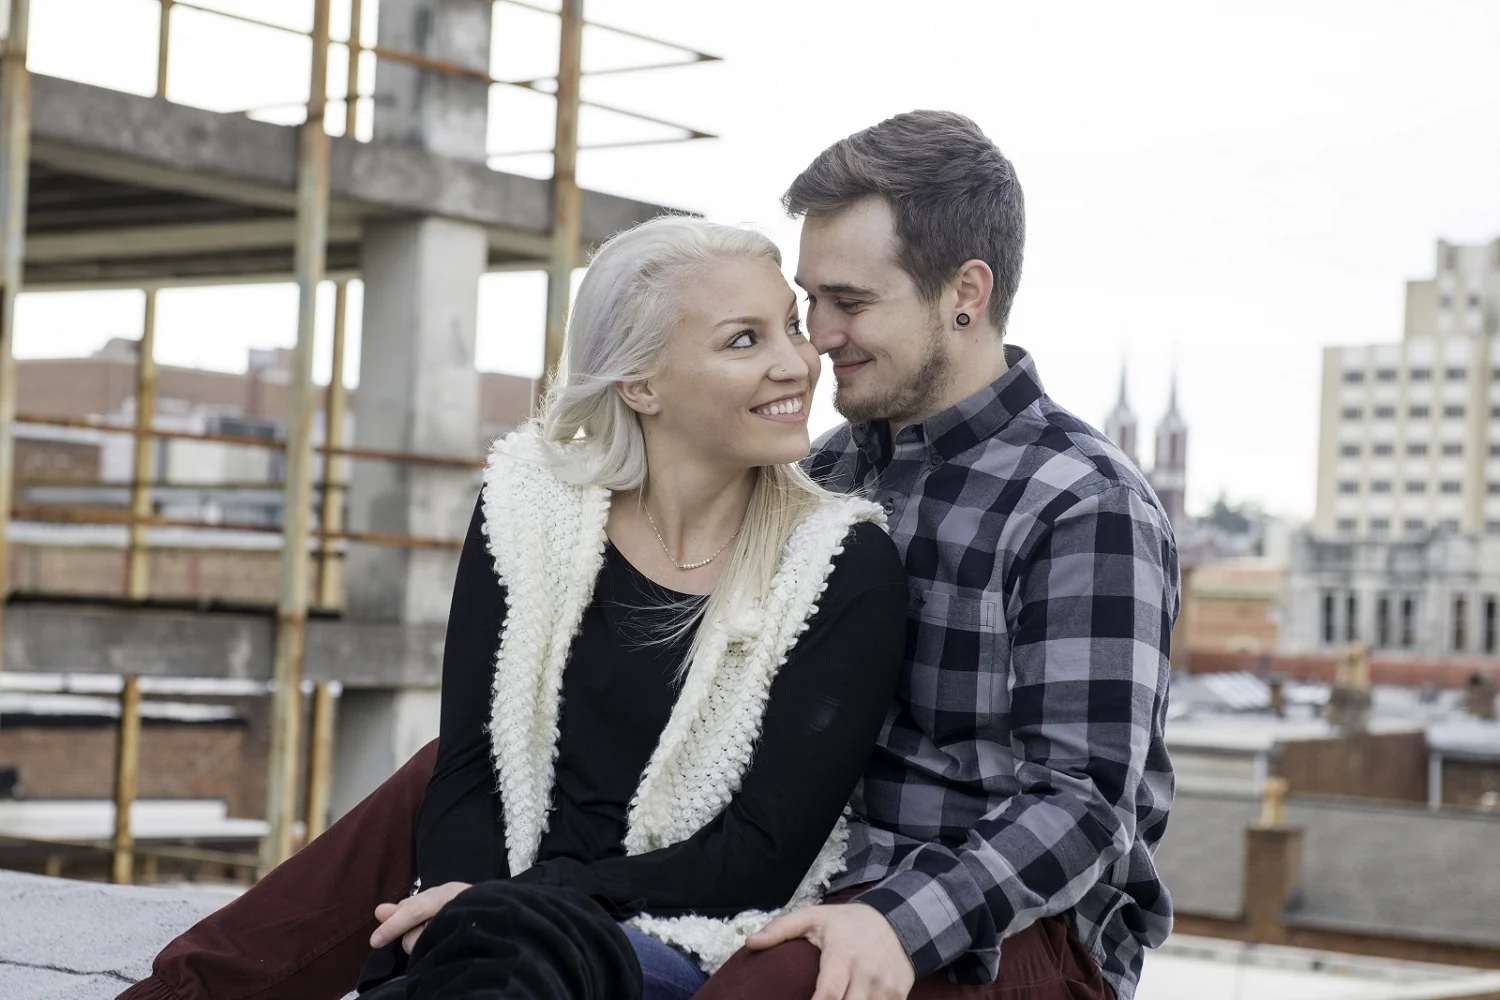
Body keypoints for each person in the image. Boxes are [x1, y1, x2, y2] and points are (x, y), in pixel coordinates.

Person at [122, 216, 908, 1000]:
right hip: (495, 929)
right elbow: (468, 762)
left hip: (674, 936)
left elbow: (756, 856)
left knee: (513, 962)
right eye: (745, 340)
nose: (799, 363)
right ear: (639, 384)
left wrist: (505, 904)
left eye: (791, 329)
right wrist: (463, 906)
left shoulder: (839, 565)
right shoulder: (533, 506)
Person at [692, 110, 1178, 1000]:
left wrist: (895, 920)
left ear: (966, 293)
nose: (820, 336)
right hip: (805, 883)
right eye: (812, 303)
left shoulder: (1084, 502)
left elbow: (1082, 805)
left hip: (1016, 934)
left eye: (852, 302)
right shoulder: (820, 472)